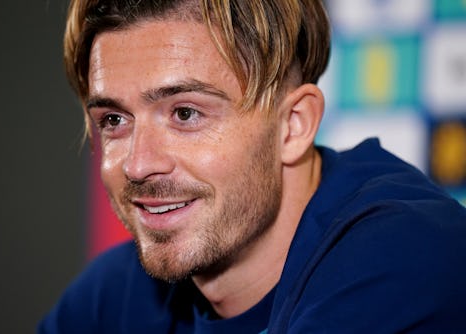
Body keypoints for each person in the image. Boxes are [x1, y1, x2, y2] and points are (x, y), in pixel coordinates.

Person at [39, 0, 466, 332]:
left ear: (293, 126)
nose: (138, 164)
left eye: (185, 114)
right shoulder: (116, 294)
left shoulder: (404, 256)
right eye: (113, 120)